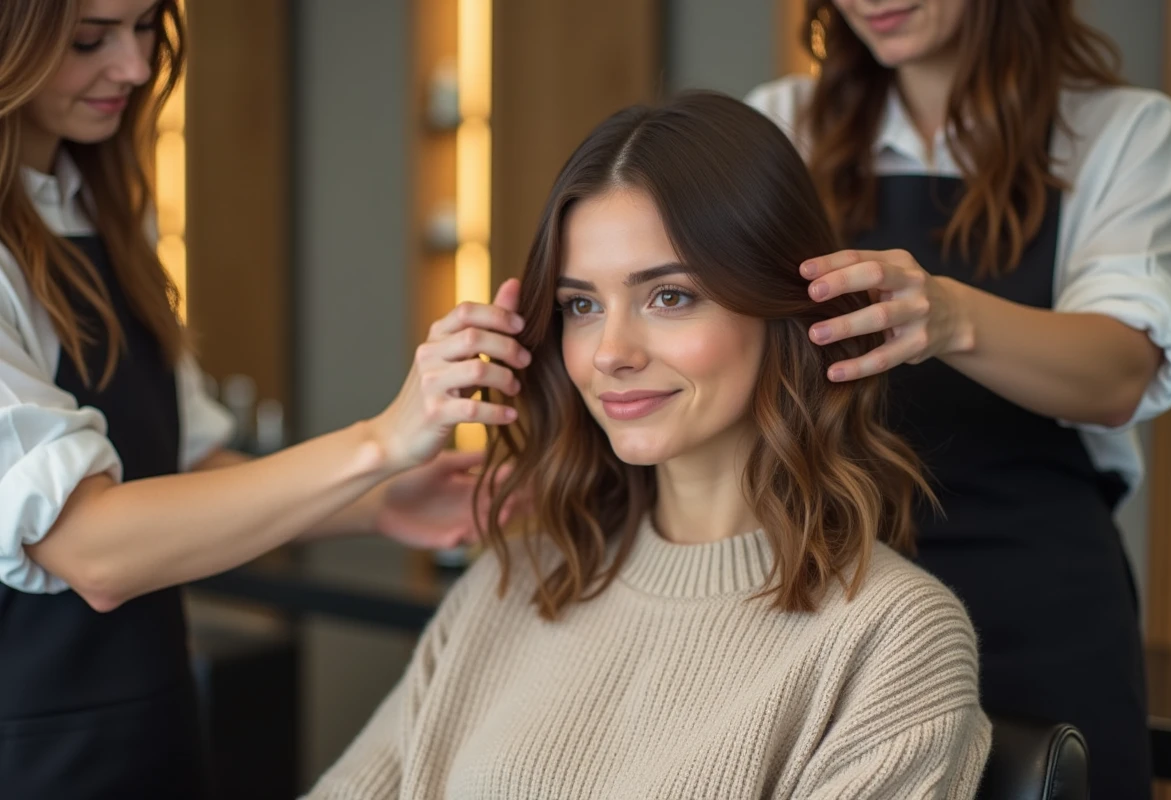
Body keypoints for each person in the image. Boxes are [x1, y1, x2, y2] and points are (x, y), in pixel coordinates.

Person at [305, 91, 990, 800]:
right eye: (581, 305)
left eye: (669, 296)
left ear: (782, 306)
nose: (610, 352)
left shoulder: (894, 638)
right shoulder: (515, 583)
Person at [0, 1, 525, 796]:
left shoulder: (101, 208)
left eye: (145, 28)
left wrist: (379, 501)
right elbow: (91, 549)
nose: (136, 67)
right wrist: (379, 443)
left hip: (153, 733)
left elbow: (188, 467)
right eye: (89, 39)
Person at [744, 1, 1171, 797]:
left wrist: (950, 317)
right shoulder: (783, 126)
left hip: (1041, 602)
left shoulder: (1122, 134)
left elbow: (1119, 374)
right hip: (830, 586)